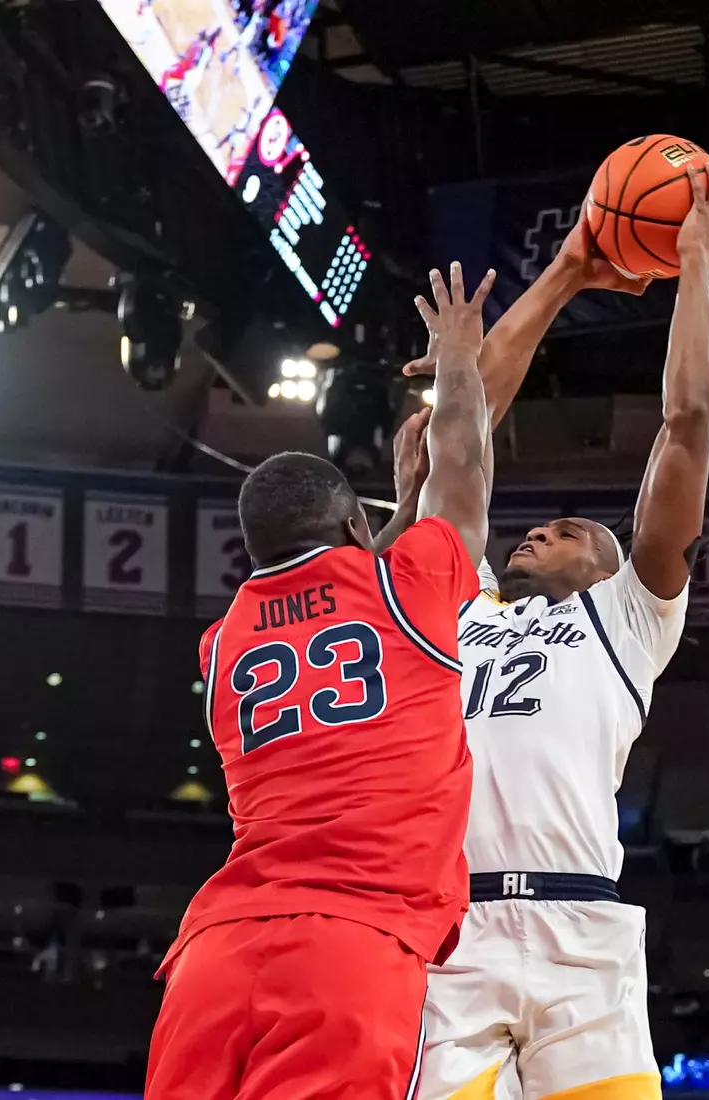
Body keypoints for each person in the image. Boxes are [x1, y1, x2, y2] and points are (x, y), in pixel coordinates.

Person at [399, 165, 709, 1100]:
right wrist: (566, 270)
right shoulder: (457, 609)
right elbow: (455, 446)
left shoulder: (630, 620)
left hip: (580, 939)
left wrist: (697, 266)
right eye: (538, 526)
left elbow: (688, 424)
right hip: (452, 937)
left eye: (577, 530)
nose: (542, 528)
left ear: (612, 564)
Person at [145, 263, 497, 1100]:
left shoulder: (221, 645)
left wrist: (396, 513)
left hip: (215, 953)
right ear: (354, 525)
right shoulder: (403, 587)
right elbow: (465, 467)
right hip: (352, 947)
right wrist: (457, 359)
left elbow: (331, 597)